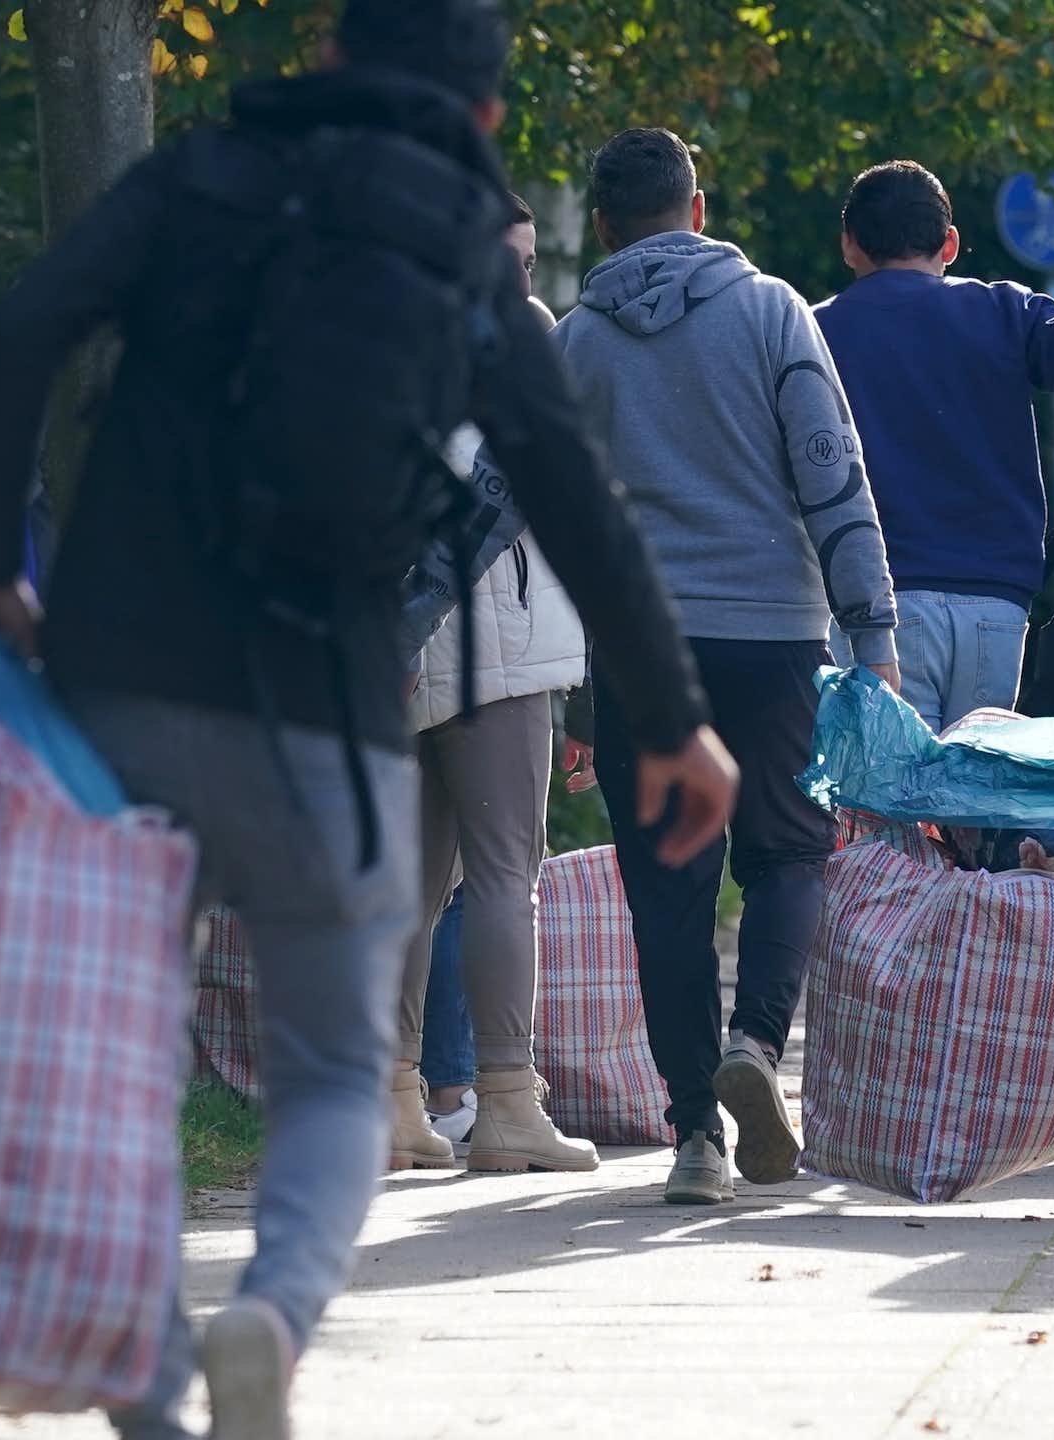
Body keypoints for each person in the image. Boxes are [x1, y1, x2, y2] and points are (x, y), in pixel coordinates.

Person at [0, 3, 737, 1435]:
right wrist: (672, 715)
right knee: (329, 1073)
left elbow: (19, 325)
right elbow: (564, 487)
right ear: (484, 117)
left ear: (326, 59)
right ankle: (270, 1315)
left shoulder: (196, 176)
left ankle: (135, 1352)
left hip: (121, 681)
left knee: (127, 1040)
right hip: (325, 710)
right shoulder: (461, 251)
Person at [570, 125, 899, 1206]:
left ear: (604, 225)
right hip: (772, 633)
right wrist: (874, 634)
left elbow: (521, 507)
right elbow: (832, 478)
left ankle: (693, 1139)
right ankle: (756, 1042)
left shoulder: (573, 342)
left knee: (666, 892)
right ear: (698, 210)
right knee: (789, 855)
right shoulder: (772, 313)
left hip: (638, 649)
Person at [386, 194, 603, 1176]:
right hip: (495, 639)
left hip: (393, 636)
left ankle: (394, 1100)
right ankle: (509, 1103)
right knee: (506, 876)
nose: (523, 283)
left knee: (412, 882)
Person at [814, 160, 1054, 730]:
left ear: (849, 245)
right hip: (998, 602)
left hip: (878, 600)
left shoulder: (815, 332)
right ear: (950, 243)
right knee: (973, 798)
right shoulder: (1007, 311)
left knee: (895, 803)